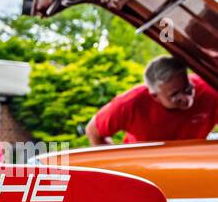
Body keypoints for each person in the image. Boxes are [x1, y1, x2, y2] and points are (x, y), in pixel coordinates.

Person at [87, 56, 218, 145]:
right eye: (175, 95)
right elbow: (93, 131)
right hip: (144, 168)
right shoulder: (130, 103)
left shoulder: (210, 89)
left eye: (188, 89)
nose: (187, 99)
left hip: (190, 162)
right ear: (155, 95)